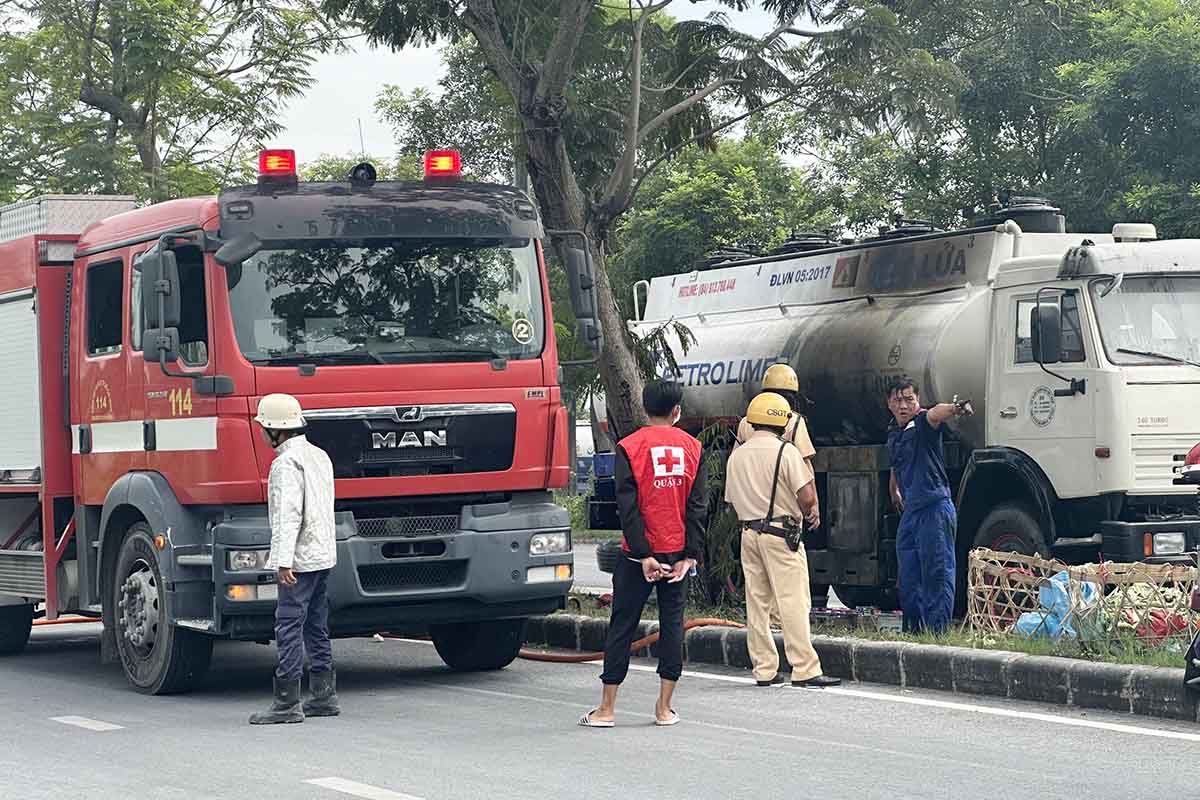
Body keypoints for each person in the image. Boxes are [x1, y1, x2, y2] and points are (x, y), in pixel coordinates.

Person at [580, 379, 707, 728]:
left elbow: (628, 507)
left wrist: (643, 553)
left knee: (622, 624)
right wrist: (689, 557)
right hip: (677, 554)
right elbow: (698, 507)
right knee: (672, 627)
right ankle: (664, 709)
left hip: (637, 557)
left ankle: (606, 710)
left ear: (645, 409)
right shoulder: (693, 448)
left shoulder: (629, 447)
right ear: (677, 411)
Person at [725, 392, 840, 689]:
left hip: (748, 533)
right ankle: (804, 668)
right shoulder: (785, 452)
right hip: (781, 533)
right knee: (793, 600)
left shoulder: (737, 454)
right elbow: (807, 496)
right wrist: (805, 510)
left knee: (757, 601)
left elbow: (731, 501)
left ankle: (764, 669)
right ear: (782, 422)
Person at [249, 393, 340, 725]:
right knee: (316, 623)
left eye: (263, 427)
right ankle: (323, 695)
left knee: (288, 624)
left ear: (275, 430)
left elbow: (289, 515)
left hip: (299, 560)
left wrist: (282, 561)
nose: (260, 433)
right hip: (322, 555)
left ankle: (287, 702)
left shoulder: (285, 464)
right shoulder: (319, 456)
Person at [733, 363, 826, 609]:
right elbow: (806, 466)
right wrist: (813, 505)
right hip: (783, 503)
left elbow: (736, 460)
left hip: (752, 510)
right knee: (790, 582)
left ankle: (768, 631)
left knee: (759, 587)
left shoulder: (746, 422)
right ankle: (787, 632)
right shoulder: (793, 422)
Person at [885, 377, 972, 635]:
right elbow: (897, 460)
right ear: (888, 403)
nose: (903, 405)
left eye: (909, 399)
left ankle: (938, 634)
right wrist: (894, 487)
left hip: (935, 507)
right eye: (898, 400)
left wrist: (956, 408)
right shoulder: (894, 430)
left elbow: (937, 413)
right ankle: (915, 631)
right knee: (909, 576)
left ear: (917, 401)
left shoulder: (922, 422)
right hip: (911, 513)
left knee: (937, 572)